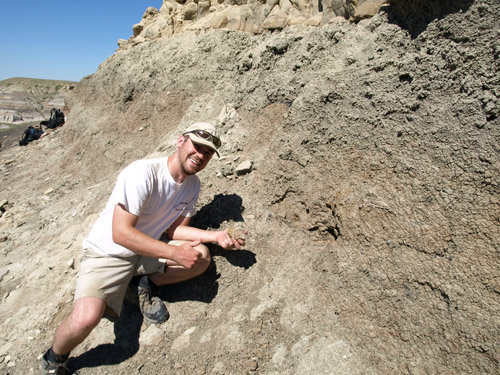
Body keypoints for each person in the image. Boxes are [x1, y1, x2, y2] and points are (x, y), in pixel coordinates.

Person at [41, 122, 246, 375]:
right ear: (181, 141)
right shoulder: (143, 172)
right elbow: (121, 233)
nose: (201, 155)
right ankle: (54, 359)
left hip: (146, 250)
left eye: (208, 153)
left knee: (200, 258)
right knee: (86, 318)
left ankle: (142, 285)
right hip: (109, 253)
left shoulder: (193, 185)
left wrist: (215, 236)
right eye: (198, 147)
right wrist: (171, 252)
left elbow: (175, 231)